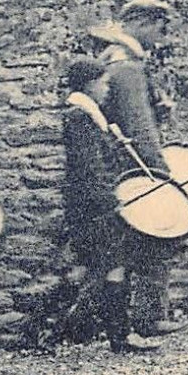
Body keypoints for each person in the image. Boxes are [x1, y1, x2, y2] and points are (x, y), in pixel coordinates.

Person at [91, 0, 183, 336]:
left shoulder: (116, 61)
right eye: (160, 26)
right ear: (142, 23)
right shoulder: (128, 68)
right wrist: (161, 173)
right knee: (154, 234)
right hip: (135, 167)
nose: (162, 35)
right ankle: (148, 315)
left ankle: (125, 317)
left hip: (120, 165)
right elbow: (138, 128)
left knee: (124, 247)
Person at [59, 56, 157, 353]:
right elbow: (89, 167)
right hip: (93, 207)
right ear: (89, 85)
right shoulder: (80, 117)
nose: (106, 89)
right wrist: (112, 200)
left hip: (94, 203)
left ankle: (102, 330)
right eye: (102, 83)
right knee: (112, 266)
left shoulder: (89, 116)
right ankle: (118, 336)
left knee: (106, 267)